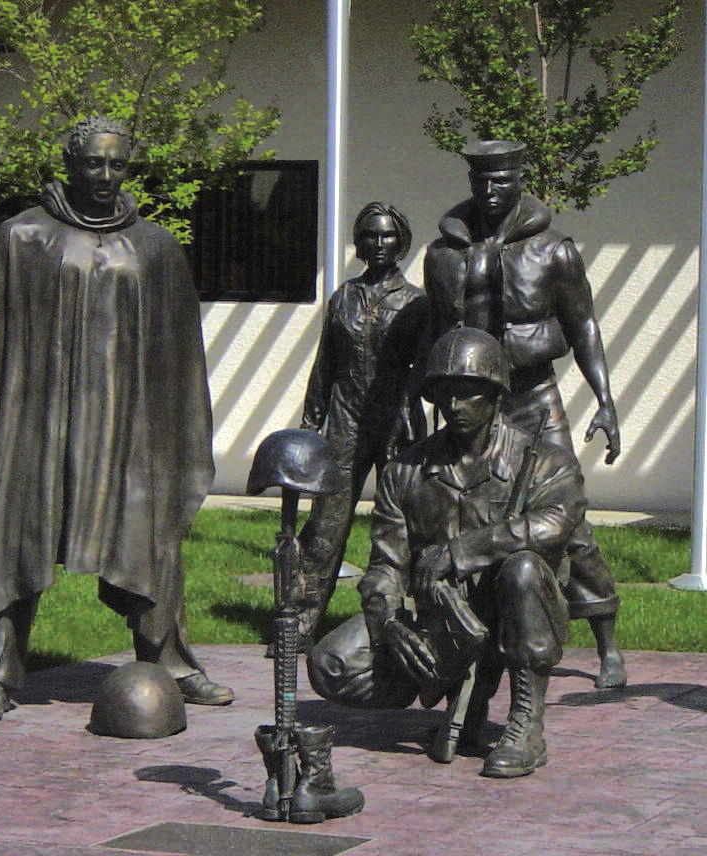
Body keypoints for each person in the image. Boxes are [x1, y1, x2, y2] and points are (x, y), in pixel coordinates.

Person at [0, 115, 233, 722]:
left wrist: (174, 438)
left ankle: (170, 661)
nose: (105, 175)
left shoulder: (155, 246)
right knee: (14, 533)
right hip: (39, 418)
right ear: (70, 164)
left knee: (149, 534)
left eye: (116, 164)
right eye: (93, 163)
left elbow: (180, 350)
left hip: (127, 424)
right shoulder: (22, 236)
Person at [309, 327, 585, 778]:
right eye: (445, 393)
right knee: (331, 664)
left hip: (518, 612)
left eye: (469, 393)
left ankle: (526, 721)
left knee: (522, 569)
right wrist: (389, 622)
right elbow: (385, 565)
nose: (455, 406)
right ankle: (446, 685)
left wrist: (462, 550)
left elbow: (554, 523)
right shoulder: (405, 471)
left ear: (496, 395)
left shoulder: (546, 463)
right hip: (442, 618)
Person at [423, 140, 626, 689]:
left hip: (533, 395)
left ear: (519, 180)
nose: (490, 191)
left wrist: (605, 400)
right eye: (481, 181)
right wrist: (418, 399)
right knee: (462, 509)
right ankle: (471, 632)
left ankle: (606, 640)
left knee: (569, 518)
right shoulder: (443, 254)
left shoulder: (555, 250)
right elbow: (434, 330)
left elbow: (583, 324)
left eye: (501, 180)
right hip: (471, 400)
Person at [296, 202, 429, 640]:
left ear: (401, 241)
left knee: (399, 524)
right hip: (345, 419)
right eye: (370, 234)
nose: (379, 243)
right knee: (325, 523)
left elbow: (423, 367)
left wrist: (407, 413)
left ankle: (399, 620)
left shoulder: (416, 302)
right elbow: (325, 364)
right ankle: (302, 620)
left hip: (396, 421)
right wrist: (310, 423)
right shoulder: (344, 297)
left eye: (388, 235)